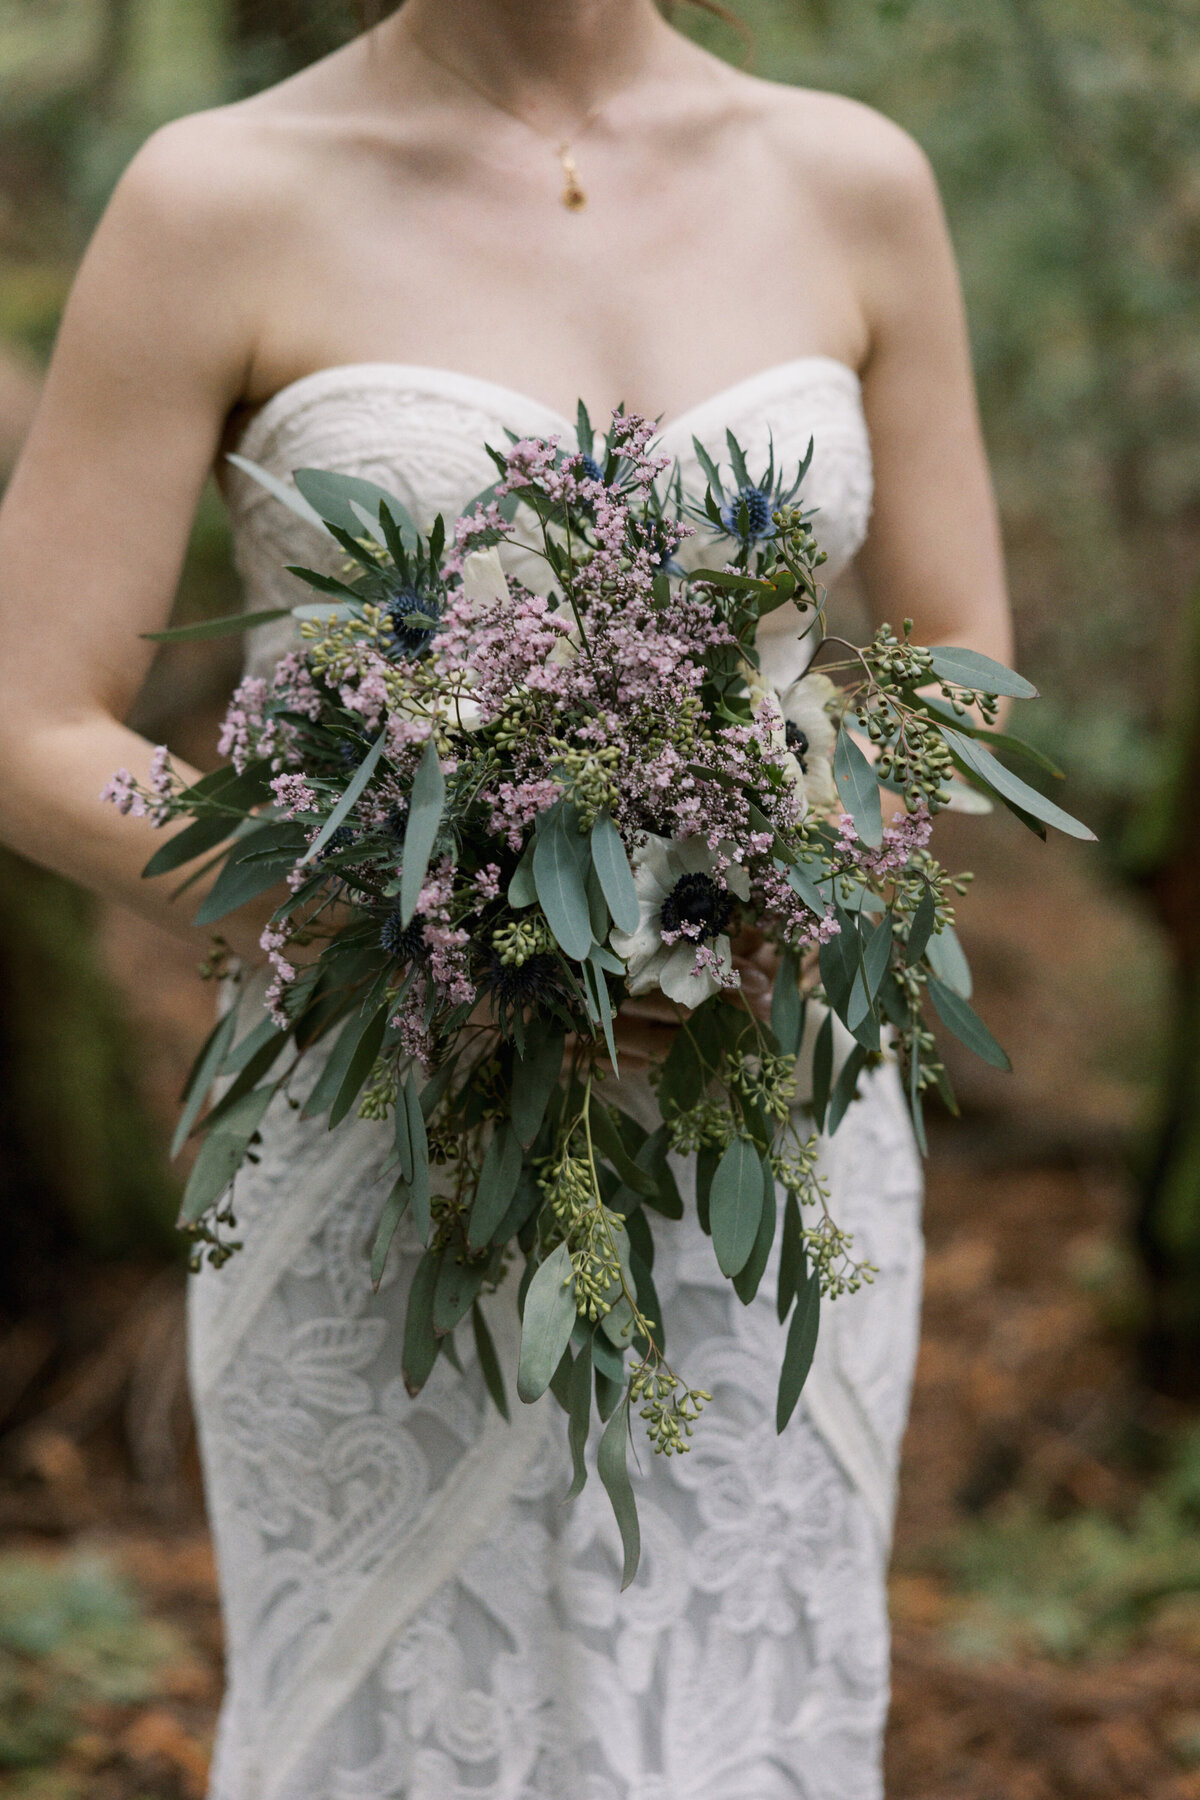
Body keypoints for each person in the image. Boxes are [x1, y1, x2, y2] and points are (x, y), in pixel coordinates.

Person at [0, 2, 1014, 1794]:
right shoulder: (213, 195)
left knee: (734, 1702)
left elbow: (948, 655)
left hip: (759, 1125)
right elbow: (26, 719)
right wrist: (375, 919)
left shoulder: (854, 177)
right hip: (389, 1125)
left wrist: (789, 866)